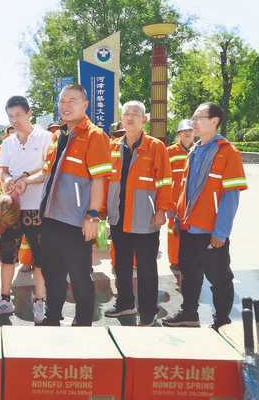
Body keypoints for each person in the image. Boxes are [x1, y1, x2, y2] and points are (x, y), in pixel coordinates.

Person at [163, 103, 247, 330]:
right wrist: (176, 216)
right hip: (189, 228)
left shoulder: (228, 153)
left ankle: (222, 320)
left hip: (211, 231)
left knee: (220, 279)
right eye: (193, 117)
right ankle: (188, 314)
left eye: (199, 117)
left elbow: (231, 197)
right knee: (189, 276)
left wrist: (221, 232)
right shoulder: (194, 151)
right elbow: (185, 190)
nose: (194, 122)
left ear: (215, 121)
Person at [34, 83, 112, 326]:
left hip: (76, 221)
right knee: (53, 274)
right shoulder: (59, 136)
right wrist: (23, 181)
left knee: (80, 277)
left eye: (72, 101)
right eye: (62, 101)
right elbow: (49, 173)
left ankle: (83, 324)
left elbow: (99, 179)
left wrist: (92, 215)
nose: (65, 106)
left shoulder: (95, 135)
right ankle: (53, 317)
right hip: (50, 218)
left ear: (85, 104)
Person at [102, 101, 173, 326]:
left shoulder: (155, 147)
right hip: (118, 217)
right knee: (120, 265)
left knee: (146, 268)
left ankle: (148, 311)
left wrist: (162, 210)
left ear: (144, 120)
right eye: (126, 114)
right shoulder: (112, 147)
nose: (130, 117)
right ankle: (124, 304)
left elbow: (165, 181)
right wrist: (102, 210)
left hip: (145, 217)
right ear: (121, 119)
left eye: (135, 114)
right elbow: (105, 183)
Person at [0, 96, 51, 324]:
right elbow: (2, 170)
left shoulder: (45, 138)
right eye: (11, 117)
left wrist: (26, 181)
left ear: (29, 113)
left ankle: (40, 301)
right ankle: (4, 299)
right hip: (12, 208)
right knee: (7, 255)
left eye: (19, 115)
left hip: (36, 208)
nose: (15, 120)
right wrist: (8, 180)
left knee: (41, 258)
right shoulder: (8, 142)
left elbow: (47, 171)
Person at [166, 119, 194, 278]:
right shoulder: (169, 152)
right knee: (173, 231)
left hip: (192, 200)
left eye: (190, 131)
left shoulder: (198, 150)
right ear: (179, 134)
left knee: (190, 231)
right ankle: (175, 260)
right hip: (174, 200)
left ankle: (188, 259)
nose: (187, 134)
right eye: (184, 132)